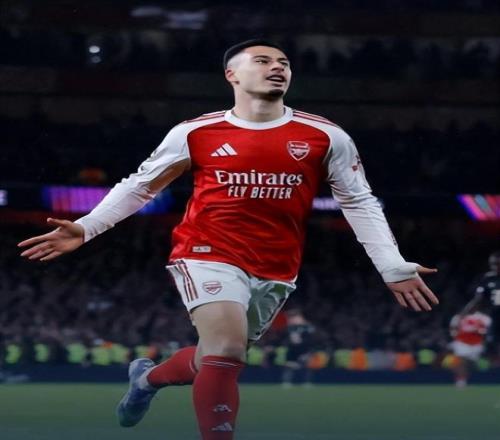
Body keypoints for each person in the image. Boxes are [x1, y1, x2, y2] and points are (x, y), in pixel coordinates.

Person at [18, 39, 439, 439]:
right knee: (226, 349)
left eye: (284, 63)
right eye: (263, 61)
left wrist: (390, 264)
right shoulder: (195, 132)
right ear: (231, 75)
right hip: (206, 251)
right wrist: (88, 226)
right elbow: (140, 186)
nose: (277, 67)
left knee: (214, 358)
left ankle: (146, 380)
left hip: (277, 266)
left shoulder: (326, 136)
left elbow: (359, 200)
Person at [449, 307, 491, 387]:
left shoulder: (483, 318)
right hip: (462, 342)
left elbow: (484, 331)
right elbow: (453, 329)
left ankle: (466, 378)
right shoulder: (458, 317)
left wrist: (476, 330)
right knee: (461, 361)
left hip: (476, 344)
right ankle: (460, 380)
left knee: (470, 363)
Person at [281, 309, 316, 387]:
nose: (291, 319)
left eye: (293, 317)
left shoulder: (308, 327)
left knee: (306, 366)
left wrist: (307, 351)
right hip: (292, 350)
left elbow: (310, 339)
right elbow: (289, 339)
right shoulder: (290, 327)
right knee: (289, 366)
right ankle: (286, 382)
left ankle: (306, 382)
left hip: (304, 350)